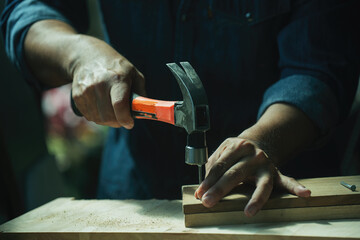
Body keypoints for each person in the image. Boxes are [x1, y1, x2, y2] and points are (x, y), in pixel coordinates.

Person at [1, 0, 359, 217]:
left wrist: (267, 139)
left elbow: (320, 67)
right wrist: (78, 55)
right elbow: (25, 11)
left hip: (270, 201)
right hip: (134, 192)